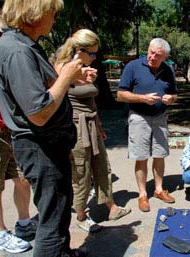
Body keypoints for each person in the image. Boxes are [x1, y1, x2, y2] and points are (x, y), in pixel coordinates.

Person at [0, 1, 97, 257]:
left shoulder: (25, 44)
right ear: (35, 13)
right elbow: (38, 112)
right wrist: (65, 77)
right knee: (51, 221)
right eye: (52, 12)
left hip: (50, 145)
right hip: (40, 148)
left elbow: (44, 87)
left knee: (60, 211)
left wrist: (73, 78)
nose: (54, 18)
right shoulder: (17, 51)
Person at [54, 29, 131, 233]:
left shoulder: (84, 67)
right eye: (92, 53)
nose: (94, 58)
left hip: (91, 124)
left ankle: (111, 207)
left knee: (102, 166)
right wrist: (80, 77)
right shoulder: (63, 67)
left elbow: (91, 100)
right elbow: (56, 97)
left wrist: (98, 125)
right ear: (79, 49)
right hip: (75, 127)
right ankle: (81, 215)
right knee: (81, 171)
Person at [117, 38, 178, 212]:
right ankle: (142, 194)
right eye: (150, 52)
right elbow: (121, 94)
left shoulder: (168, 70)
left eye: (157, 55)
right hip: (139, 116)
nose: (152, 57)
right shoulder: (133, 66)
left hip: (160, 117)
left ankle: (159, 190)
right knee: (141, 156)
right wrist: (142, 98)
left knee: (160, 154)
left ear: (165, 57)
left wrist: (170, 99)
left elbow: (175, 95)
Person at [0, 14, 37, 254]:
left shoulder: (7, 61)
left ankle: (24, 223)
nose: (6, 39)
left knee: (22, 178)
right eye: (1, 34)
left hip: (12, 130)